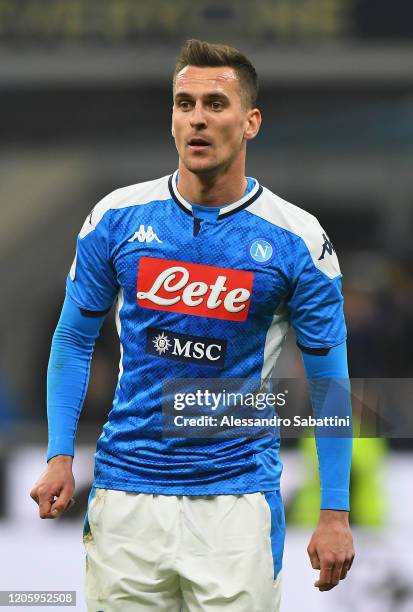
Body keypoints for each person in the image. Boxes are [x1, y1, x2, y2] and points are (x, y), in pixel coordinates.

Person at [30, 39, 355, 611]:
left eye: (215, 103)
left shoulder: (298, 240)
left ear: (251, 121)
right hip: (126, 494)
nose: (198, 118)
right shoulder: (117, 218)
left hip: (236, 503)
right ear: (172, 119)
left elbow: (331, 381)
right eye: (184, 104)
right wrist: (60, 454)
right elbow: (74, 339)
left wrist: (334, 512)